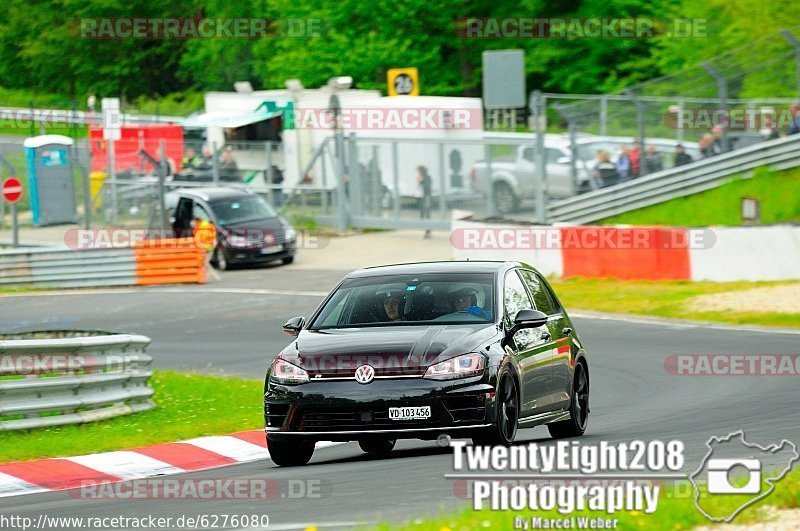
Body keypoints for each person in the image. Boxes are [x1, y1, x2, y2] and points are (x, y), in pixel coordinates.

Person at [193, 215, 220, 281]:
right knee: (205, 262)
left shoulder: (200, 227)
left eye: (194, 222)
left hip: (209, 246)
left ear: (197, 221)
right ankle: (209, 275)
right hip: (211, 244)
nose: (193, 224)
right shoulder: (204, 224)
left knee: (205, 262)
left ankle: (215, 276)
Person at [417, 165, 432, 239]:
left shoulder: (426, 177)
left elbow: (426, 187)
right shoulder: (425, 177)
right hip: (423, 197)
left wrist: (421, 181)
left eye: (419, 171)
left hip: (426, 197)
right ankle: (427, 231)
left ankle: (427, 232)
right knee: (424, 214)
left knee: (426, 214)